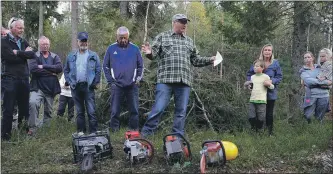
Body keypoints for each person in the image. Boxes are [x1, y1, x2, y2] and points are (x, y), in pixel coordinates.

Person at [140, 14, 215, 137]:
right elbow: (153, 54)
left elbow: (195, 60)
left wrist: (210, 59)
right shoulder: (163, 37)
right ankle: (145, 136)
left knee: (180, 112)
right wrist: (149, 53)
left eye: (186, 22)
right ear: (174, 22)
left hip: (184, 82)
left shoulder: (189, 41)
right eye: (182, 22)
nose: (185, 24)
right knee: (158, 109)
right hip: (165, 81)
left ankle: (177, 138)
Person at [1, 17, 36, 140]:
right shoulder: (3, 42)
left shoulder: (23, 41)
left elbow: (32, 54)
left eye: (22, 28)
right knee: (8, 109)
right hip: (9, 79)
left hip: (24, 79)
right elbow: (9, 58)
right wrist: (23, 54)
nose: (22, 30)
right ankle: (6, 137)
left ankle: (22, 133)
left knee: (24, 108)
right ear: (12, 28)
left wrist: (18, 52)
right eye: (19, 28)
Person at [103, 26, 143, 132]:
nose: (123, 40)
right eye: (121, 38)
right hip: (117, 85)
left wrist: (138, 79)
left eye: (125, 38)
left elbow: (140, 66)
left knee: (134, 109)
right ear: (117, 37)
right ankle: (114, 130)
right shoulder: (111, 49)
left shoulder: (135, 49)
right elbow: (105, 66)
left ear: (128, 37)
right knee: (115, 110)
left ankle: (133, 130)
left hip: (132, 85)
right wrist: (111, 81)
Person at [64, 31, 101, 134]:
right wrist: (68, 81)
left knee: (91, 111)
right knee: (79, 112)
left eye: (85, 41)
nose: (83, 43)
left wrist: (96, 82)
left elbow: (98, 70)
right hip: (75, 87)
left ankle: (93, 132)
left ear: (88, 42)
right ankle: (81, 132)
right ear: (78, 42)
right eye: (81, 41)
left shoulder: (93, 55)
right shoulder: (71, 55)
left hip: (89, 87)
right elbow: (66, 70)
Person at [28, 36, 62, 133]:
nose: (45, 46)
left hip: (51, 89)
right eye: (43, 44)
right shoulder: (34, 56)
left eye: (47, 44)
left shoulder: (55, 56)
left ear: (49, 45)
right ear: (39, 45)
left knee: (49, 112)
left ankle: (46, 132)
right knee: (33, 103)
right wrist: (51, 72)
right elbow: (33, 69)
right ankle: (32, 129)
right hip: (37, 87)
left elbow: (59, 68)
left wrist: (43, 66)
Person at [246, 44, 282, 136]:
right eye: (265, 50)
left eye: (269, 50)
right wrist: (250, 83)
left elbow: (279, 77)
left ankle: (269, 133)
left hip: (270, 92)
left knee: (269, 114)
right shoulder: (258, 62)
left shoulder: (275, 63)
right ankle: (257, 132)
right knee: (256, 114)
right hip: (258, 93)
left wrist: (271, 81)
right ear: (262, 51)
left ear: (272, 52)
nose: (267, 52)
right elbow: (249, 74)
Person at [300, 51, 332, 123]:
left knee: (320, 116)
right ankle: (308, 130)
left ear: (313, 58)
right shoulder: (303, 70)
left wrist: (329, 82)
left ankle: (317, 131)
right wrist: (326, 83)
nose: (307, 59)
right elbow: (308, 81)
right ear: (304, 59)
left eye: (309, 57)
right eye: (305, 57)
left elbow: (330, 77)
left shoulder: (320, 67)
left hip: (324, 95)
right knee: (307, 115)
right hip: (310, 96)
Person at [244, 60, 274, 132]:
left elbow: (272, 87)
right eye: (254, 66)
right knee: (251, 117)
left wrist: (269, 84)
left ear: (262, 68)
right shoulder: (252, 77)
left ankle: (260, 131)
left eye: (257, 66)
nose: (255, 67)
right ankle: (253, 130)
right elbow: (249, 87)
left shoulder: (265, 77)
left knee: (261, 118)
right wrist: (246, 85)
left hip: (262, 100)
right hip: (252, 100)